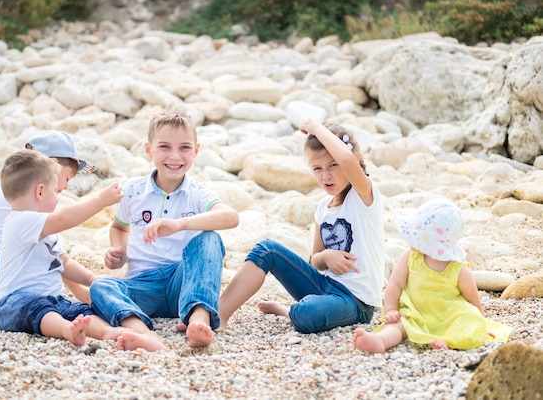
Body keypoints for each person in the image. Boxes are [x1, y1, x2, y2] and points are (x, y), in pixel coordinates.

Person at [218, 119, 385, 334]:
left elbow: (345, 158)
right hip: (323, 286)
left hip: (355, 301)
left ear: (353, 160)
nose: (326, 175)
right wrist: (327, 257)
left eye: (333, 165)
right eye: (317, 168)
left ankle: (287, 311)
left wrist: (317, 129)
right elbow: (315, 260)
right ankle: (219, 314)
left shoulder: (363, 196)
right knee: (266, 249)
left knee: (307, 314)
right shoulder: (323, 207)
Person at [89, 110, 239, 349]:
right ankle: (144, 333)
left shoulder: (198, 193)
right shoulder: (133, 191)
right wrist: (118, 249)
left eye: (185, 148)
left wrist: (180, 224)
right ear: (149, 150)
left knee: (209, 239)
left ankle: (198, 319)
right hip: (142, 284)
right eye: (165, 147)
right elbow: (119, 226)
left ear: (196, 151)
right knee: (100, 286)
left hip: (183, 282)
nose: (175, 156)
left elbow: (230, 217)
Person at [0, 149, 165, 350]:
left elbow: (63, 263)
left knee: (81, 311)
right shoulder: (20, 221)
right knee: (39, 309)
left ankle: (106, 332)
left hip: (54, 299)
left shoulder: (43, 229)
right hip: (13, 303)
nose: (59, 198)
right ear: (40, 191)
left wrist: (91, 279)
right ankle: (66, 330)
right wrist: (100, 201)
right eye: (56, 192)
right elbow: (63, 219)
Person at [0, 130, 95, 310]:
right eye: (67, 178)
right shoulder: (34, 197)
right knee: (44, 284)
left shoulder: (9, 187)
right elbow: (55, 256)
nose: (66, 187)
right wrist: (82, 289)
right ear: (53, 165)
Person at [352, 199, 513, 353]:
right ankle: (380, 340)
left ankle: (448, 341)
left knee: (466, 321)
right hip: (414, 312)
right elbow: (395, 284)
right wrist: (391, 310)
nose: (409, 240)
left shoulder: (459, 270)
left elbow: (473, 302)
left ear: (429, 244)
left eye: (415, 238)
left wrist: (480, 324)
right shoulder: (410, 257)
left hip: (447, 317)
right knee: (397, 325)